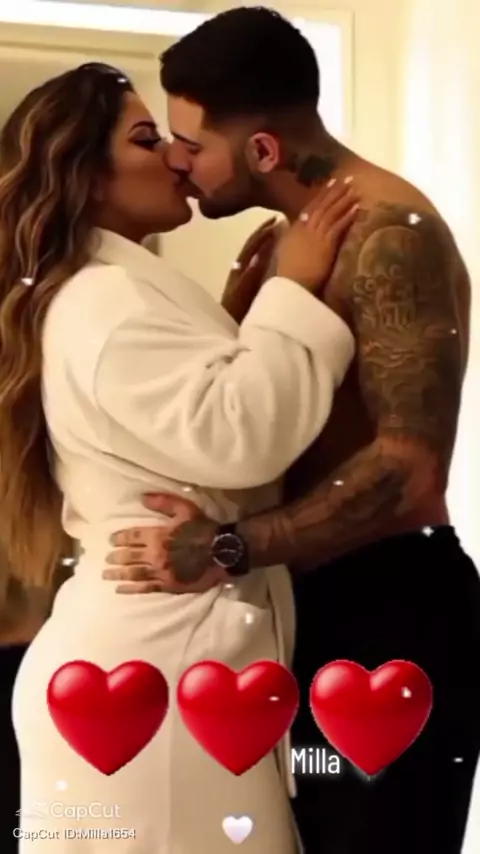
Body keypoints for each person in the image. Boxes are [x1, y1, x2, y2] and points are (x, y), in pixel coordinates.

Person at [103, 8, 480, 854]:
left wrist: (228, 547)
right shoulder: (279, 247)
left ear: (265, 150)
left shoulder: (391, 236)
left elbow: (407, 470)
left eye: (191, 143)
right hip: (303, 602)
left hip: (392, 610)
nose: (176, 161)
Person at [3, 62, 359, 853]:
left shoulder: (106, 295)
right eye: (144, 139)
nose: (174, 154)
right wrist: (293, 288)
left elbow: (178, 424)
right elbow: (243, 435)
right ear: (86, 174)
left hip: (161, 659)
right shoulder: (106, 302)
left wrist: (239, 319)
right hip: (152, 676)